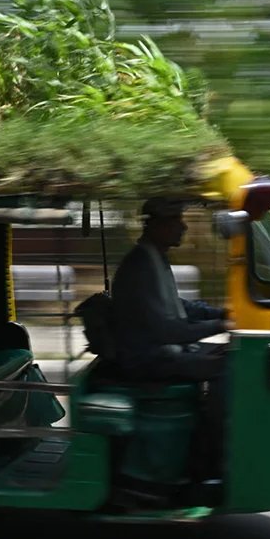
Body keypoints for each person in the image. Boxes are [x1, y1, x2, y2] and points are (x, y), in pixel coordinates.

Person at [109, 197, 230, 481]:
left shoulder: (154, 258)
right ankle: (208, 458)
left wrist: (221, 314)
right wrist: (223, 324)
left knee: (231, 356)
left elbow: (180, 307)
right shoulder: (140, 265)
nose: (183, 227)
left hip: (161, 349)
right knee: (228, 368)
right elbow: (167, 330)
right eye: (176, 221)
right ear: (157, 226)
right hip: (147, 359)